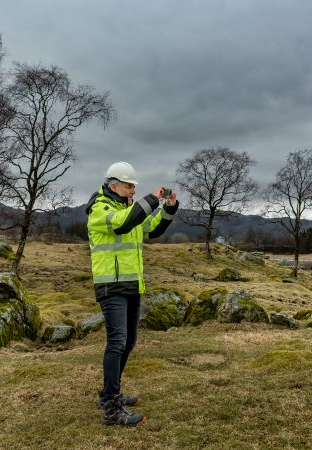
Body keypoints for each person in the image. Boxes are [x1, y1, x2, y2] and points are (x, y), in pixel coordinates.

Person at [85, 161, 178, 427]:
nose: (132, 191)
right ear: (113, 185)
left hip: (131, 285)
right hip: (111, 286)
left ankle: (108, 394)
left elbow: (151, 228)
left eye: (134, 187)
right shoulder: (100, 208)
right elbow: (123, 224)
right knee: (117, 342)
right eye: (129, 186)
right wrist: (152, 197)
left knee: (128, 343)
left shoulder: (128, 210)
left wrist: (168, 209)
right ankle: (112, 408)